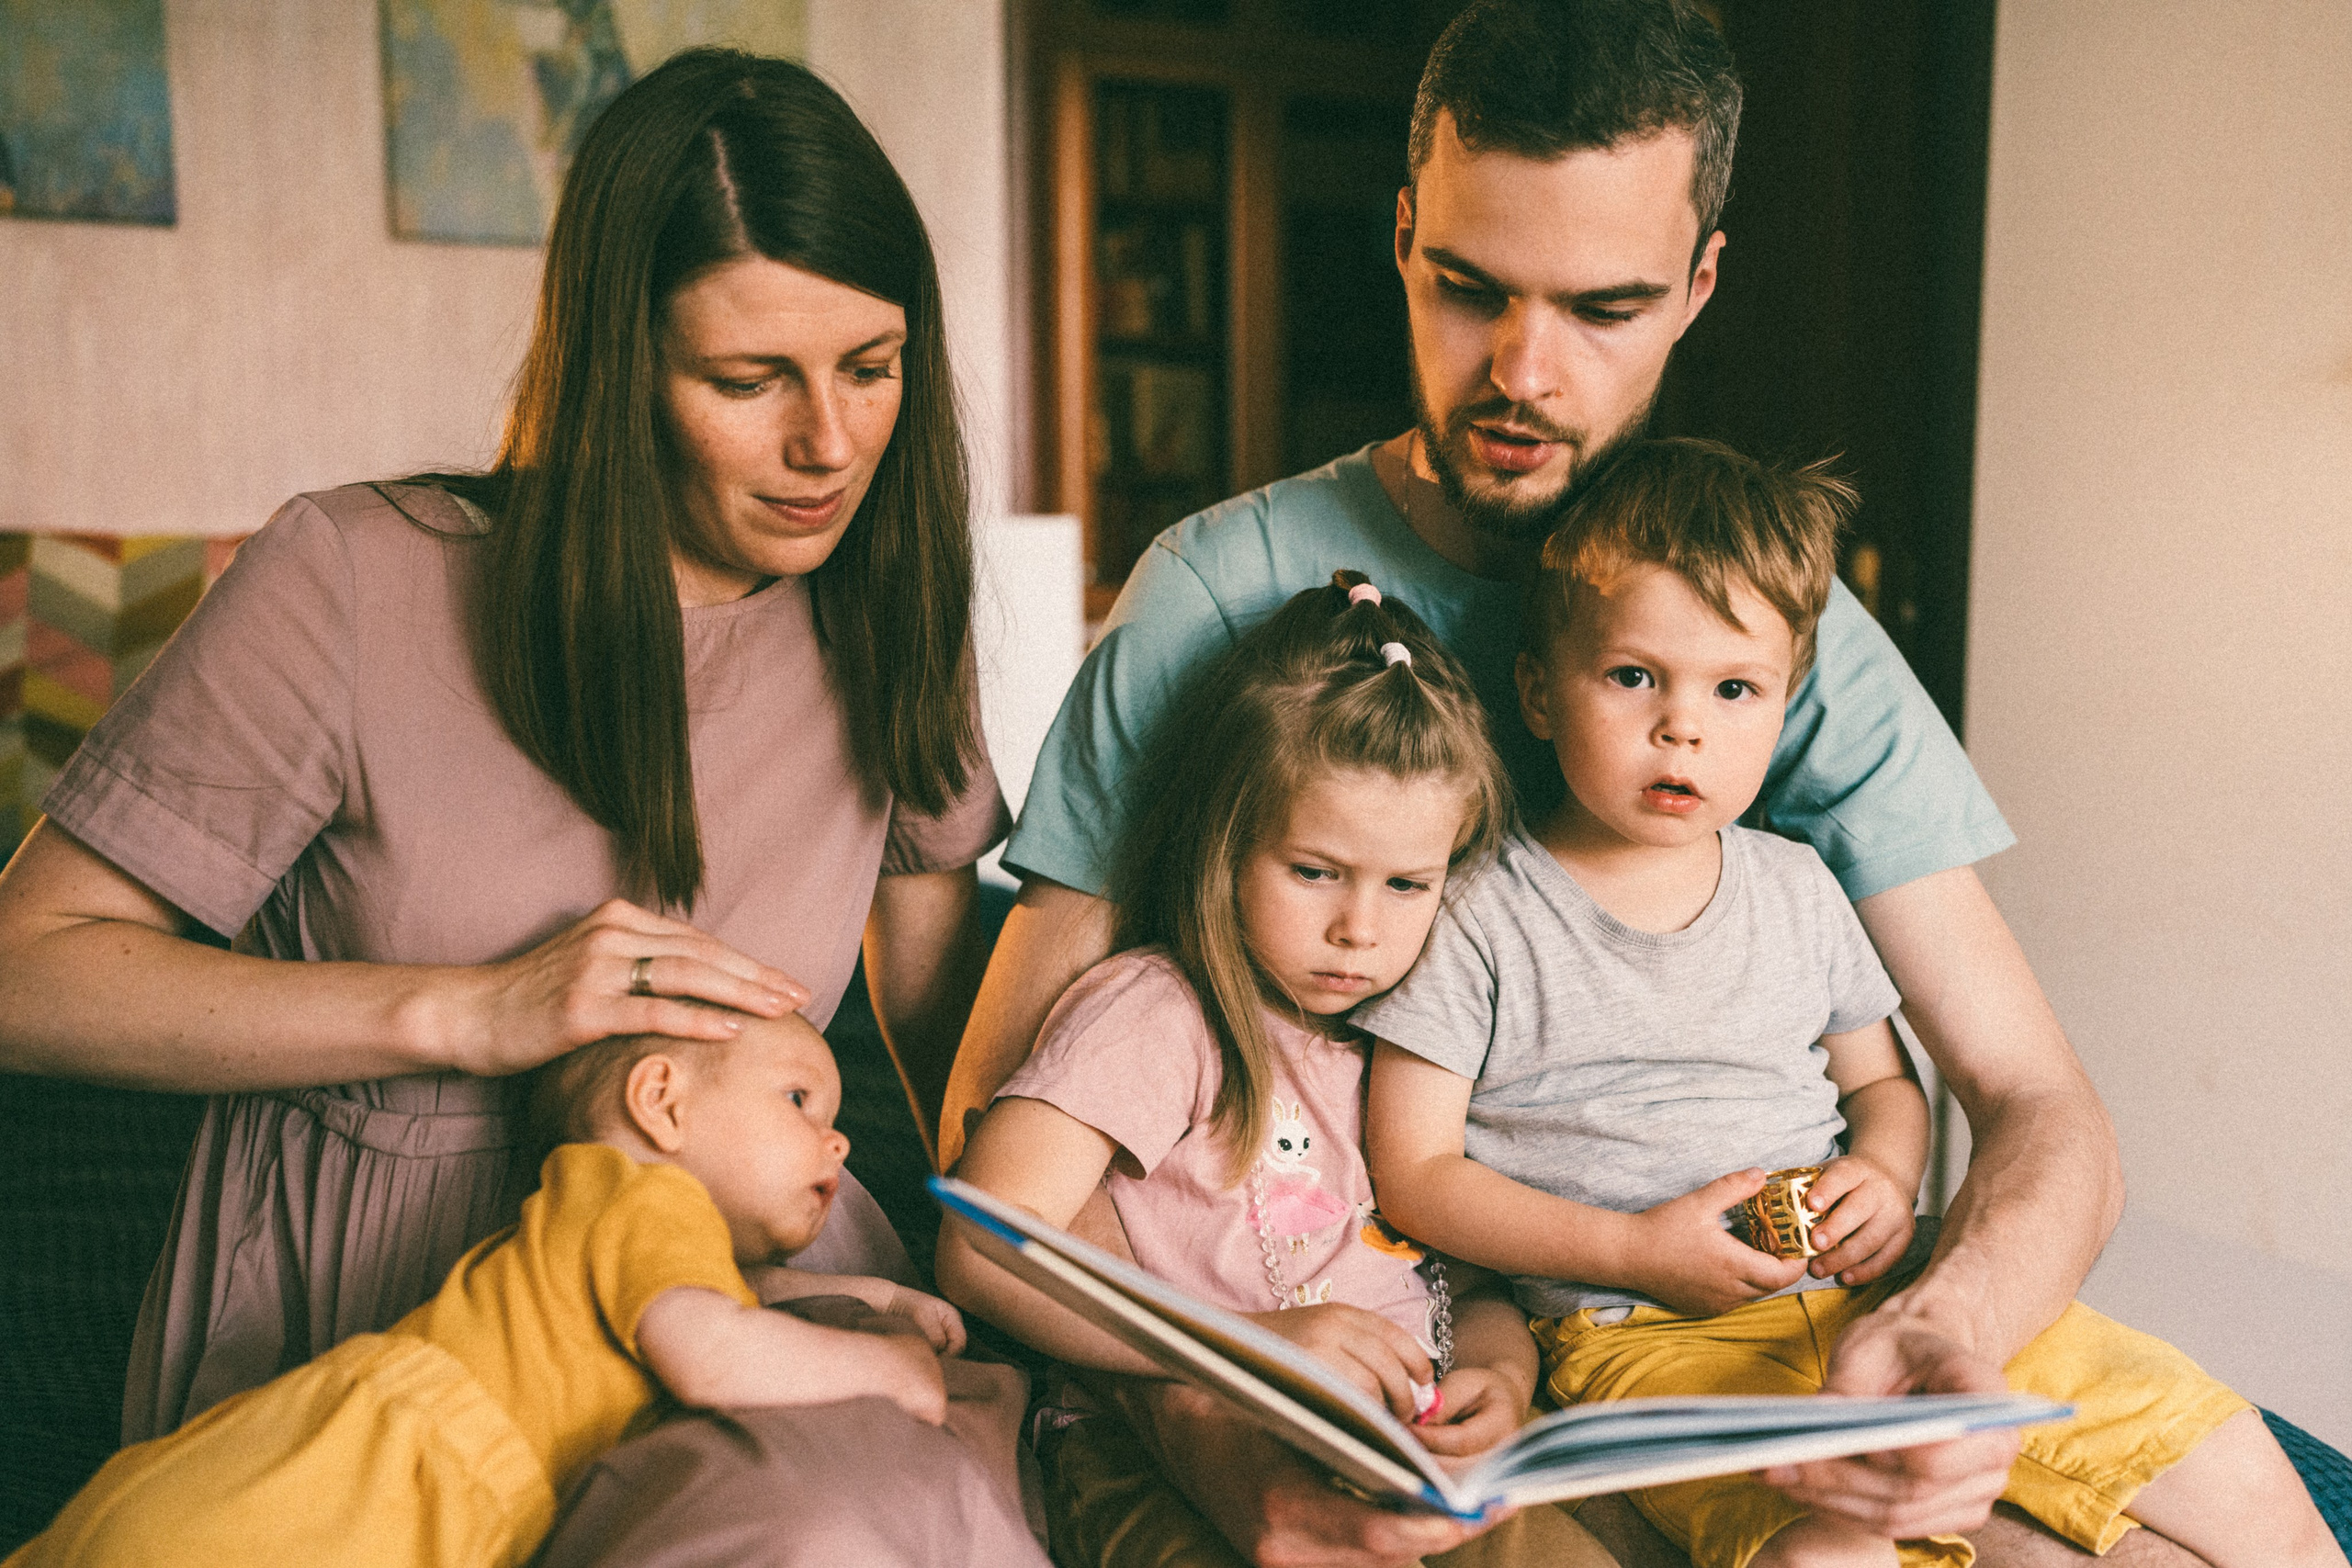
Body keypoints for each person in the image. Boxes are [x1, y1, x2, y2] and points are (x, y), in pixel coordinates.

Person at [945, 3, 2211, 1562]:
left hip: (1728, 1349)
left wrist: (1947, 1330)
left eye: (1604, 306)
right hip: (1405, 1364)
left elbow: (2038, 1104)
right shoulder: (1220, 592)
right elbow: (991, 1143)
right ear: (1401, 236)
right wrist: (1214, 1414)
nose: (1524, 372)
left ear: (1699, 285)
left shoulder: (1759, 626)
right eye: (1472, 289)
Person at [0, 47, 1016, 1543]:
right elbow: (28, 974)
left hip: (740, 1296)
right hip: (370, 1323)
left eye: (871, 368)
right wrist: (465, 1009)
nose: (830, 445)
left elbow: (954, 1058)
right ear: (620, 364)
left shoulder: (884, 618)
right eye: (749, 381)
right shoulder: (354, 576)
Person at [1361, 437, 2339, 1568]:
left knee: (2219, 1446)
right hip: (1642, 1342)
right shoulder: (1477, 907)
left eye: (1734, 690)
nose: (1684, 727)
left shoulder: (1798, 885)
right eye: (1634, 678)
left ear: (1783, 709)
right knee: (1827, 1553)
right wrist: (1629, 1250)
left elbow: (1882, 1083)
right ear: (1537, 690)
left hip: (1875, 1293)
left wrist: (1881, 1171)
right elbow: (1415, 1172)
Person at [940, 570, 1611, 1567]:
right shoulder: (1160, 1014)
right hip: (1163, 1447)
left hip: (1405, 1452)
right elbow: (983, 1245)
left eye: (1406, 885)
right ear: (1226, 845)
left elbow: (1469, 1294)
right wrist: (1239, 1345)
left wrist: (1501, 1384)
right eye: (1313, 872)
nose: (1358, 929)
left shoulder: (1421, 1046)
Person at [9, 1008, 1048, 1568]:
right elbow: (711, 1351)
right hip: (353, 1498)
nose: (837, 1134)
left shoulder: (629, 1226)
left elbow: (730, 1307)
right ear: (660, 1101)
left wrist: (876, 1297)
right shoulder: (647, 1201)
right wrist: (889, 1368)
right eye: (796, 1097)